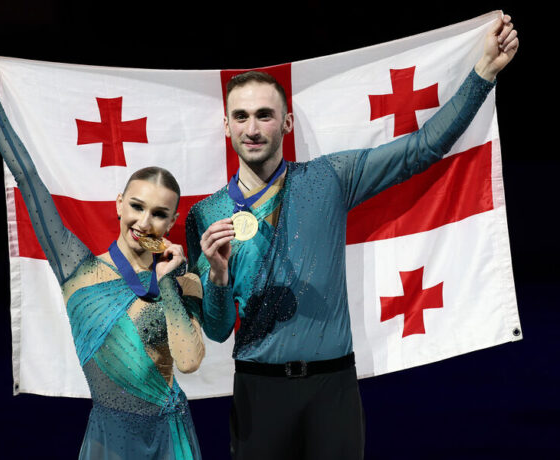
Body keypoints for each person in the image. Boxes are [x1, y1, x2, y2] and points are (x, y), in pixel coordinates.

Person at [185, 15, 519, 460]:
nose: (252, 128)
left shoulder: (330, 178)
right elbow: (217, 331)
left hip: (333, 389)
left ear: (286, 123)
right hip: (257, 393)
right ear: (226, 126)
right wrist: (218, 276)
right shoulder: (206, 215)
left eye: (265, 115)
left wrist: (484, 73)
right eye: (241, 116)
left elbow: (423, 147)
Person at [0, 57, 205, 460]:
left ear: (172, 220)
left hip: (172, 440)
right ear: (119, 203)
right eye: (136, 206)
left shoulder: (185, 279)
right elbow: (28, 180)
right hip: (109, 441)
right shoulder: (77, 268)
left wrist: (167, 283)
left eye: (159, 214)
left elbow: (188, 362)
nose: (144, 222)